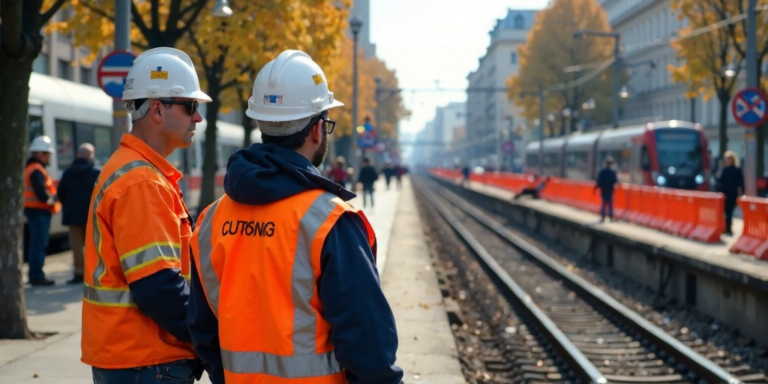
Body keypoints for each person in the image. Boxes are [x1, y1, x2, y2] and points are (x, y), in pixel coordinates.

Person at [188, 50, 403, 384]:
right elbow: (368, 342)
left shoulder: (210, 220)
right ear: (318, 130)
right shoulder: (330, 220)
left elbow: (203, 330)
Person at [82, 47, 211, 383]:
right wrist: (213, 338)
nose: (198, 118)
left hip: (136, 359)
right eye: (191, 106)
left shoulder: (135, 172)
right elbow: (159, 288)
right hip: (147, 362)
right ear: (157, 109)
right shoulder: (142, 182)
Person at [57, 143, 100, 284]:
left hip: (72, 216)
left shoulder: (67, 173)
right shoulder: (96, 173)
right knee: (93, 245)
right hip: (91, 216)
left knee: (76, 246)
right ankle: (93, 272)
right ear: (90, 157)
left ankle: (79, 272)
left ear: (78, 155)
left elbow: (60, 194)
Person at [24, 135, 61, 286]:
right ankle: (37, 276)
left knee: (36, 244)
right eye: (47, 154)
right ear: (41, 153)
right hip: (39, 212)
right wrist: (50, 200)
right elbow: (41, 193)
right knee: (39, 244)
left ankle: (35, 274)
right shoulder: (36, 170)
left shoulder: (31, 168)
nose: (48, 157)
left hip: (34, 211)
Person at [716, 150, 744, 235]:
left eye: (728, 159)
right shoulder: (724, 170)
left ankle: (728, 228)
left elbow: (741, 182)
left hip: (732, 194)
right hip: (724, 194)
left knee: (730, 212)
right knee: (725, 211)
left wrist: (742, 192)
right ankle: (726, 227)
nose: (727, 161)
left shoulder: (737, 170)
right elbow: (719, 181)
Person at [595, 156, 618, 222]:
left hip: (604, 190)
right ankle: (610, 217)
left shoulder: (602, 171)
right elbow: (615, 181)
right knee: (610, 204)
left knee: (604, 204)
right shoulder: (612, 172)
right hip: (610, 190)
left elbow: (599, 181)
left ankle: (603, 217)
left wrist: (596, 187)